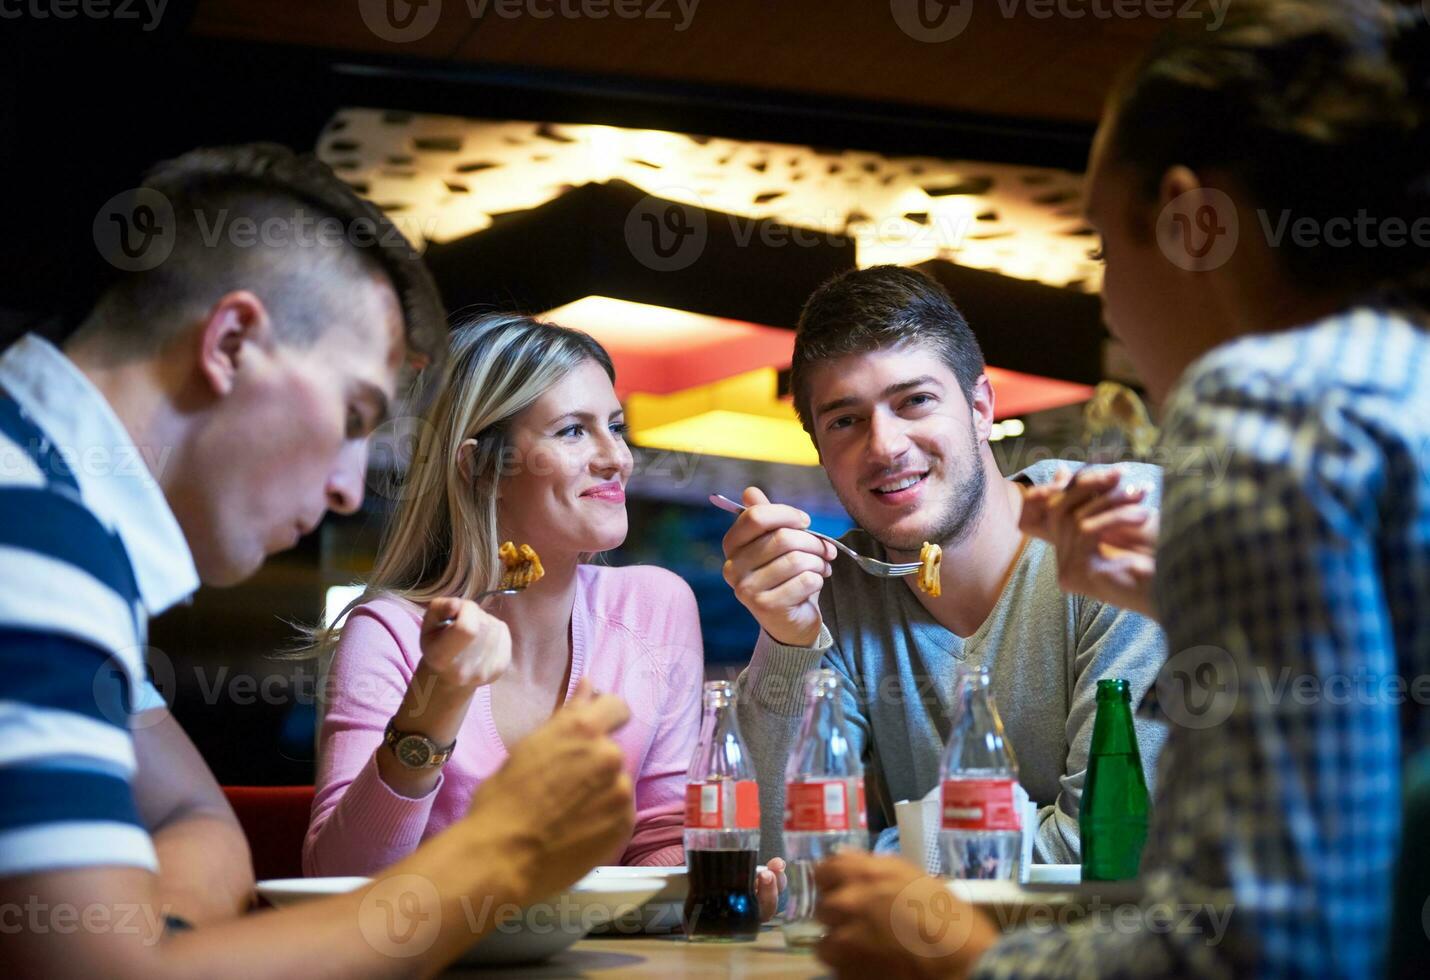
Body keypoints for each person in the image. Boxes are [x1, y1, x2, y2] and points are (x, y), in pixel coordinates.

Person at [810, 2, 1430, 977]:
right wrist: (1180, 602)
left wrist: (963, 958)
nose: (1103, 299)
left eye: (1101, 245)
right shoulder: (1393, 374)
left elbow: (1272, 947)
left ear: (1189, 224)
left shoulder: (1266, 407)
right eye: (841, 418)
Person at [1, 144, 639, 977]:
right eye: (352, 414)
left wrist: (154, 948)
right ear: (231, 342)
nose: (346, 490)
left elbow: (197, 817)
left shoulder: (59, 519)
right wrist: (502, 854)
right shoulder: (31, 532)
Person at [301, 313, 784, 912]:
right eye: (572, 432)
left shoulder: (656, 606)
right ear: (481, 468)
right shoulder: (392, 632)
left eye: (615, 426)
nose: (618, 459)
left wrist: (709, 888)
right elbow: (341, 879)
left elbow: (659, 836)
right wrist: (438, 696)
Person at [722, 264, 1168, 866]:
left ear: (981, 406)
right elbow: (772, 856)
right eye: (846, 421)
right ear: (820, 450)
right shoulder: (837, 596)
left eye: (915, 401)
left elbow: (1111, 845)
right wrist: (786, 642)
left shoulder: (1112, 525)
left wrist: (879, 854)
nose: (884, 446)